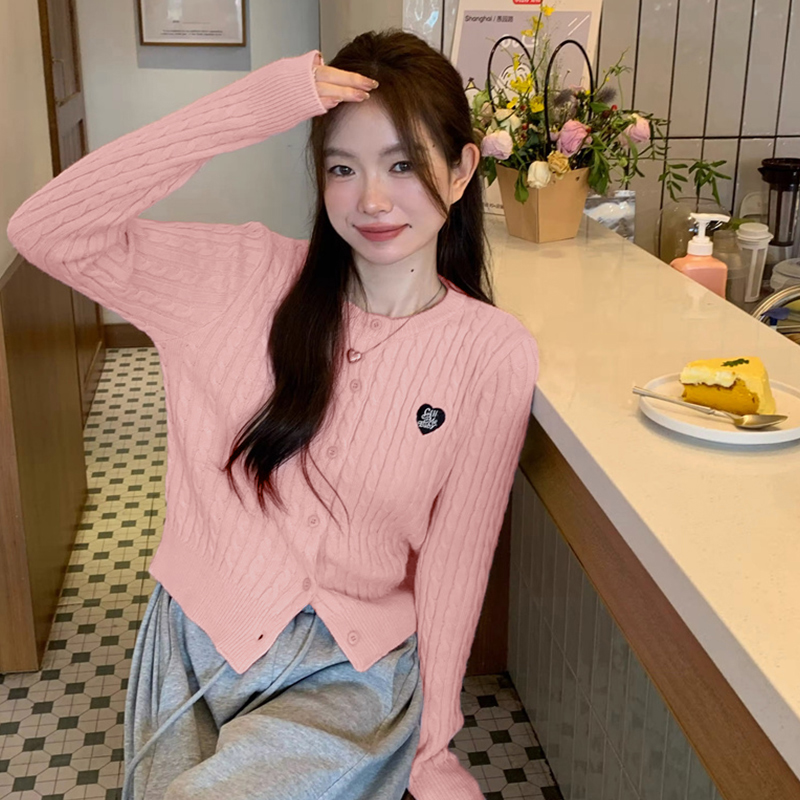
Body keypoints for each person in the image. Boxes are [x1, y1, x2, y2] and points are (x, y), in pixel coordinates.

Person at [6, 28, 538, 800]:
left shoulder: (493, 352)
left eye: (403, 164)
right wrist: (253, 106)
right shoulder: (237, 278)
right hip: (198, 648)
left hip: (351, 673)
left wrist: (433, 743)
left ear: (461, 172)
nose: (373, 200)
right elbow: (45, 229)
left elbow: (456, 559)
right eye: (343, 168)